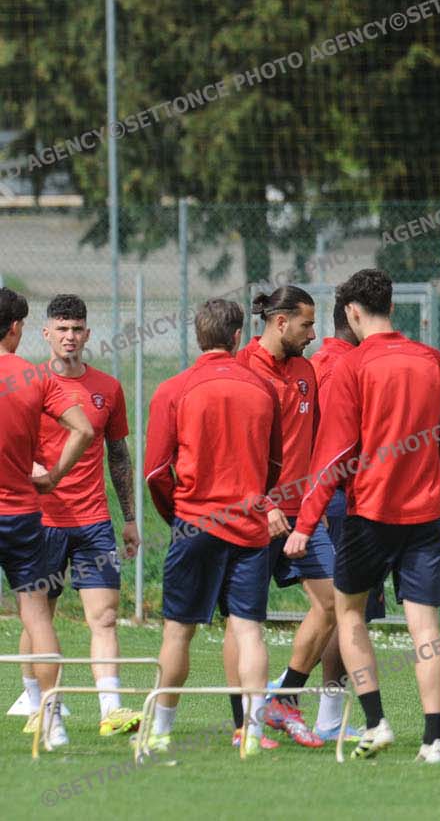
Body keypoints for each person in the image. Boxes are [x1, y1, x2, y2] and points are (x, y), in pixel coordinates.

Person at [288, 268, 440, 763]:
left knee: (349, 614)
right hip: (424, 517)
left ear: (352, 313)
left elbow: (333, 456)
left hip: (369, 514)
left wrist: (305, 524)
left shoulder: (352, 366)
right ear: (392, 307)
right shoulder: (432, 360)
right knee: (425, 629)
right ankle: (433, 740)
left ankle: (375, 721)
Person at [142, 299, 282, 758]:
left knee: (177, 632)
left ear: (198, 336)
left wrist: (177, 515)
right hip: (248, 527)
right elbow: (275, 464)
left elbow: (155, 471)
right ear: (238, 336)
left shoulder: (174, 389)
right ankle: (253, 733)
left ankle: (161, 731)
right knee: (248, 631)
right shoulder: (263, 388)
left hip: (194, 523)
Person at [16, 296, 141, 739]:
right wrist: (30, 469)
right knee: (39, 618)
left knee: (104, 617)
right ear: (46, 333)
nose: (70, 337)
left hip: (94, 523)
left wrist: (130, 517)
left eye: (77, 329)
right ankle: (36, 702)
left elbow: (118, 455)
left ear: (88, 334)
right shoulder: (29, 384)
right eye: (62, 329)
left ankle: (112, 709)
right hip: (41, 521)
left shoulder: (108, 387)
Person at [230, 286, 327, 749]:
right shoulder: (242, 369)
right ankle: (242, 725)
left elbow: (316, 440)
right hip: (254, 511)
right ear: (281, 322)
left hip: (302, 512)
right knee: (243, 619)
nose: (313, 334)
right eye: (307, 325)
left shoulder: (307, 371)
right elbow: (233, 452)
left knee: (335, 603)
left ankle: (284, 697)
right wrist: (262, 502)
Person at [0, 288, 95, 750]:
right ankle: (52, 719)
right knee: (37, 616)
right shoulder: (36, 377)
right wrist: (53, 475)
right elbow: (85, 428)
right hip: (21, 515)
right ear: (17, 328)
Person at [303, 291, 377, 741]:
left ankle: (290, 697)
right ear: (354, 316)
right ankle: (324, 714)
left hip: (336, 498)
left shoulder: (322, 363)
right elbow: (333, 444)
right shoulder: (340, 367)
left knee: (343, 611)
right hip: (341, 500)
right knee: (348, 610)